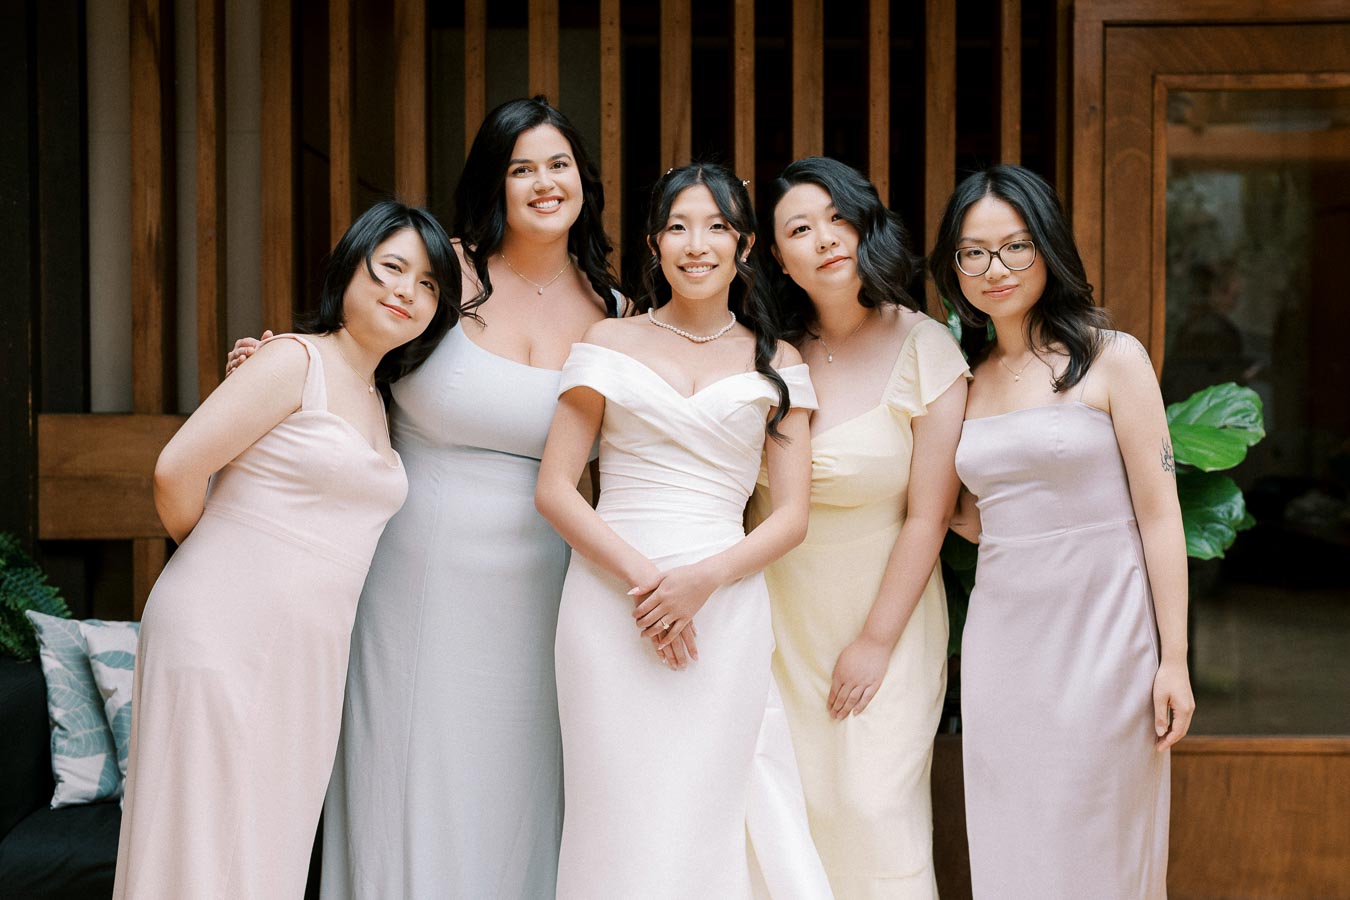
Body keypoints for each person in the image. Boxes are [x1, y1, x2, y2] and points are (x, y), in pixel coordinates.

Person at [228, 97, 619, 898]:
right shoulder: (444, 272)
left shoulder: (616, 311)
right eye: (521, 169)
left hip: (545, 590)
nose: (544, 183)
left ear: (584, 178)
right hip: (412, 573)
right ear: (495, 182)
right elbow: (349, 350)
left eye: (558, 165)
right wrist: (278, 363)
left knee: (519, 792)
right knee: (403, 781)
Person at [113, 200, 456, 899]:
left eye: (427, 284)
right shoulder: (292, 359)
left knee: (267, 839)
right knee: (199, 835)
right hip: (220, 630)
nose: (406, 291)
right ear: (349, 267)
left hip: (309, 655)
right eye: (391, 267)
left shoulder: (380, 399)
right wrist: (223, 566)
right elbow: (175, 471)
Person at [535, 163, 833, 899]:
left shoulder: (779, 359)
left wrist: (699, 582)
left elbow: (791, 517)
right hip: (610, 603)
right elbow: (555, 489)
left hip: (723, 605)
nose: (696, 245)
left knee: (708, 805)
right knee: (616, 809)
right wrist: (651, 586)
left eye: (716, 227)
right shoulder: (609, 340)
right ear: (654, 243)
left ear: (745, 245)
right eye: (677, 227)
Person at [932, 165, 1194, 899]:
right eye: (973, 252)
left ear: (1048, 246)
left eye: (1015, 246)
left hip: (1107, 639)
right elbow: (962, 510)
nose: (995, 269)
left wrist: (1174, 658)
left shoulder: (1114, 358)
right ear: (954, 267)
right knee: (1015, 836)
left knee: (1100, 836)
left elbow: (1160, 515)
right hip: (1005, 644)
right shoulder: (963, 379)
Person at [747, 157, 968, 898]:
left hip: (886, 620)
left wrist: (874, 642)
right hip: (776, 624)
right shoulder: (763, 351)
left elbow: (929, 515)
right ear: (777, 257)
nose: (824, 239)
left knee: (873, 812)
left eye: (837, 218)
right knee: (785, 813)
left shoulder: (926, 347)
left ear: (865, 224)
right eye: (799, 230)